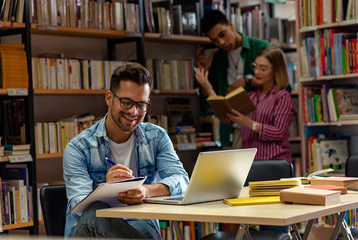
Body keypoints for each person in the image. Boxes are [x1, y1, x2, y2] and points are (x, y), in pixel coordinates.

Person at [63, 63, 189, 239]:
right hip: (92, 230)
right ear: (109, 98)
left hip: (140, 224)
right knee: (93, 214)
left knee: (142, 230)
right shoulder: (78, 148)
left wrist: (145, 191)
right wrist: (105, 191)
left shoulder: (157, 137)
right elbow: (78, 208)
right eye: (127, 102)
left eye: (141, 105)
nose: (133, 112)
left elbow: (182, 180)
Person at [196, 46, 294, 161]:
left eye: (263, 69)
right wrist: (208, 89)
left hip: (273, 161)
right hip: (250, 162)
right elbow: (226, 117)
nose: (257, 72)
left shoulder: (282, 96)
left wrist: (250, 124)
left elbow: (279, 132)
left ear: (276, 71)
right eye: (255, 67)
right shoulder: (251, 95)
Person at [196, 10, 272, 147]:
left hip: (259, 130)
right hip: (229, 132)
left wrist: (247, 80)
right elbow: (209, 104)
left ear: (230, 25)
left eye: (222, 35)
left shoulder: (262, 48)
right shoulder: (218, 58)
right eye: (215, 40)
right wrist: (204, 74)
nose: (221, 42)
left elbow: (280, 85)